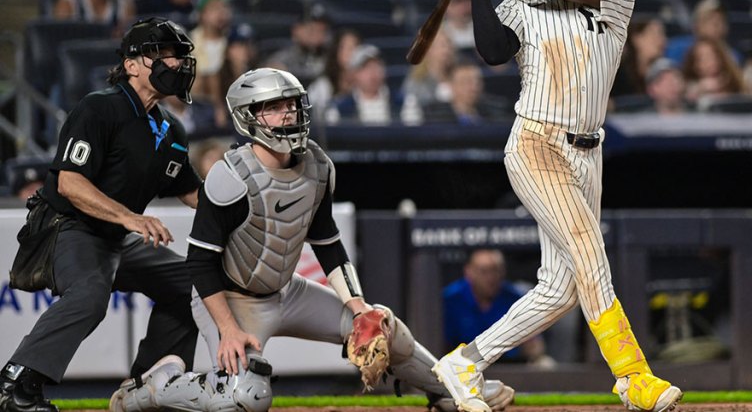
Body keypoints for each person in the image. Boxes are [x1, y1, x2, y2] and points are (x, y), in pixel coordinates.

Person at [107, 68, 514, 412]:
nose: (289, 113)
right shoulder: (230, 176)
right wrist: (228, 329)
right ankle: (154, 389)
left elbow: (329, 244)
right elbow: (199, 263)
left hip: (286, 291)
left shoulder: (318, 165)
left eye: (291, 104)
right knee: (243, 397)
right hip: (231, 300)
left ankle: (451, 392)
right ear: (250, 117)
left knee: (382, 325)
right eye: (276, 106)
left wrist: (358, 307)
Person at [434, 0, 682, 412]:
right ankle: (632, 376)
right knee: (592, 255)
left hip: (590, 153)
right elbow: (493, 51)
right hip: (536, 143)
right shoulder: (521, 7)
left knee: (560, 290)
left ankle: (464, 363)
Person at [0, 18, 201, 412]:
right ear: (132, 64)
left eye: (178, 57)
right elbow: (70, 184)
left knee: (193, 285)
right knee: (91, 293)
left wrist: (245, 208)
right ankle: (15, 383)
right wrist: (130, 218)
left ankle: (149, 387)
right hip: (66, 226)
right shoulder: (100, 108)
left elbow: (193, 192)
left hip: (115, 237)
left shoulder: (171, 130)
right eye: (163, 55)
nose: (175, 64)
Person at [443, 249, 551, 365]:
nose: (491, 278)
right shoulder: (450, 299)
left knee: (545, 364)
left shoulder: (515, 298)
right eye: (484, 271)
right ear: (469, 272)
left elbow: (535, 345)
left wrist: (532, 347)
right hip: (463, 364)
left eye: (495, 271)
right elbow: (442, 345)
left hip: (510, 365)